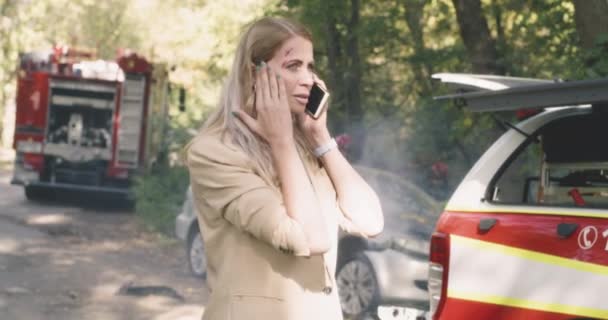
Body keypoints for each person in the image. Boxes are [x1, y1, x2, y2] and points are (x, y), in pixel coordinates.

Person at [184, 16, 384, 320]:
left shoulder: (305, 146)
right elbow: (311, 240)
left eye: (310, 66)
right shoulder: (214, 152)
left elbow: (371, 222)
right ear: (255, 74)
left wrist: (320, 136)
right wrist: (281, 142)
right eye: (293, 66)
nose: (308, 79)